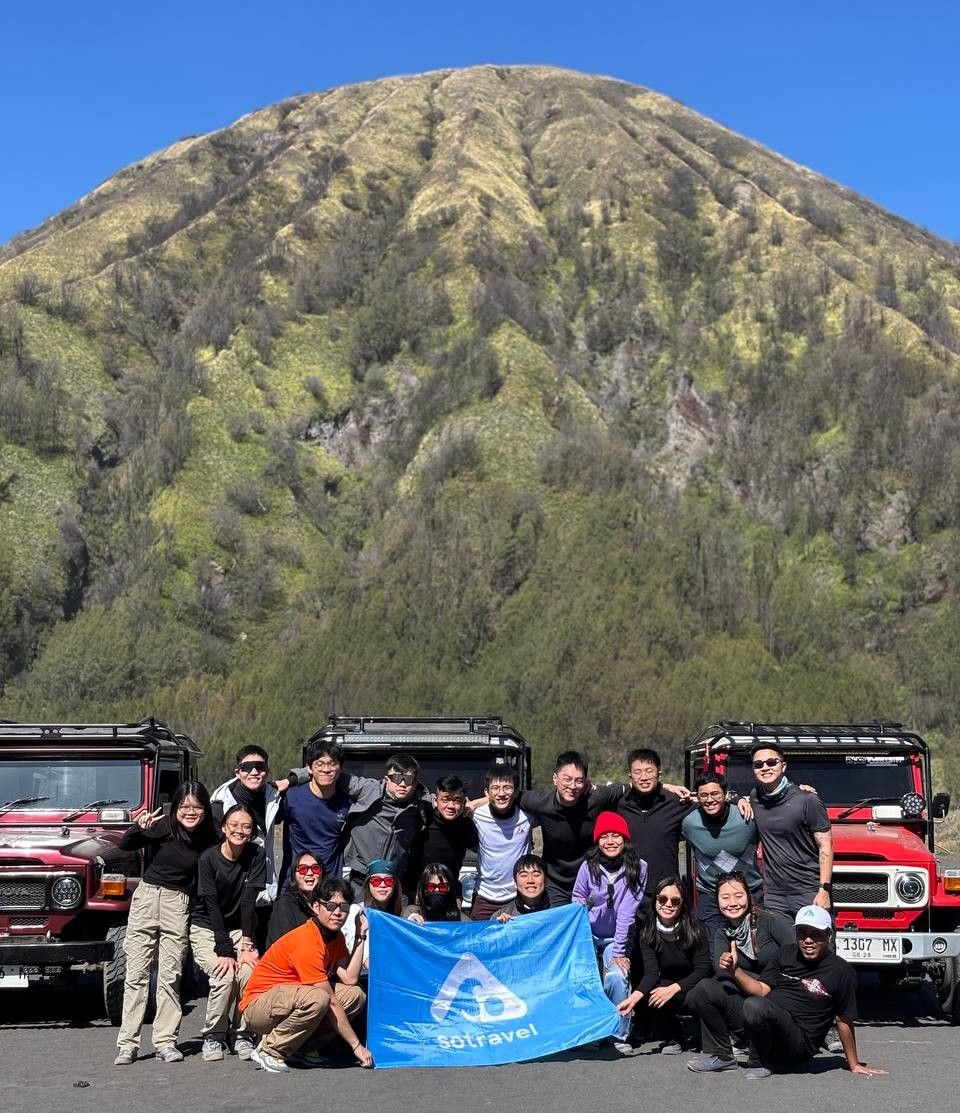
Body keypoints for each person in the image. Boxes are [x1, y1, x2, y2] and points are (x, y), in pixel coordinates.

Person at [717, 904, 887, 1080]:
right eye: (802, 933)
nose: (808, 940)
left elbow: (843, 1019)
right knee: (708, 989)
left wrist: (854, 1063)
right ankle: (721, 1056)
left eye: (816, 934)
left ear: (829, 936)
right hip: (770, 1030)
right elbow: (761, 989)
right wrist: (735, 971)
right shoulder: (785, 953)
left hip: (798, 1046)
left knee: (754, 1005)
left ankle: (759, 1062)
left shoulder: (841, 971)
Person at [114, 782, 218, 1065]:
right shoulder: (164, 825)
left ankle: (165, 1041)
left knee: (170, 976)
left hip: (177, 903)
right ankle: (128, 1044)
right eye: (184, 806)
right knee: (136, 973)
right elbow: (125, 844)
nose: (190, 812)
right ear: (176, 807)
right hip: (147, 897)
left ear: (206, 810)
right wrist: (139, 827)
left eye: (196, 807)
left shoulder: (210, 838)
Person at [238, 877, 372, 1073]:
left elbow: (350, 979)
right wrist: (356, 1046)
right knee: (320, 998)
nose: (337, 912)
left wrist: (361, 935)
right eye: (331, 906)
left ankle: (302, 1049)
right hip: (258, 1006)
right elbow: (330, 1001)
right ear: (316, 907)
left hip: (294, 998)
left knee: (355, 996)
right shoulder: (307, 940)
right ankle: (271, 1049)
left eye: (343, 907)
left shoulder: (336, 937)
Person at [685, 871, 795, 1072]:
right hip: (749, 1006)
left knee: (753, 1001)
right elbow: (722, 973)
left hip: (778, 1005)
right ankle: (723, 1055)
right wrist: (729, 964)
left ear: (749, 896)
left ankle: (763, 1056)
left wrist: (759, 979)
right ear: (717, 902)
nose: (732, 903)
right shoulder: (722, 933)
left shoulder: (769, 922)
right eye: (725, 897)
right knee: (703, 989)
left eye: (738, 896)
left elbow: (796, 955)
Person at [189, 803, 266, 1062]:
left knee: (248, 972)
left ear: (253, 831)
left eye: (246, 826)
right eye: (234, 825)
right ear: (223, 827)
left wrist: (245, 945)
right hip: (206, 928)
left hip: (239, 929)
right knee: (224, 974)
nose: (240, 831)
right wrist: (224, 950)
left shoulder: (256, 854)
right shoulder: (208, 858)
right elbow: (211, 905)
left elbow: (248, 901)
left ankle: (242, 1033)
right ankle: (214, 1035)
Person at [572, 812, 647, 1049]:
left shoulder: (639, 867)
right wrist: (582, 909)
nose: (610, 841)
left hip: (619, 937)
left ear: (625, 839)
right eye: (604, 836)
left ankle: (617, 1031)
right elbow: (577, 897)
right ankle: (594, 1031)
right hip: (589, 935)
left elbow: (627, 911)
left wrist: (619, 952)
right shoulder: (588, 866)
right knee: (587, 979)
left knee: (616, 976)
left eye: (616, 835)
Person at [520, 751, 625, 906]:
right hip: (555, 884)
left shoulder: (595, 798)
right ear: (555, 778)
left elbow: (627, 787)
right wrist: (476, 803)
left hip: (590, 878)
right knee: (558, 926)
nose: (572, 786)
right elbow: (508, 795)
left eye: (579, 781)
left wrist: (666, 786)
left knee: (588, 927)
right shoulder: (540, 801)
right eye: (567, 780)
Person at [618, 876, 710, 1053]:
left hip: (694, 984)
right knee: (652, 993)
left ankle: (702, 1033)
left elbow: (703, 969)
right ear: (655, 901)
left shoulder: (696, 928)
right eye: (662, 899)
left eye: (675, 900)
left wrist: (676, 987)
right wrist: (633, 999)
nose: (668, 904)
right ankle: (672, 1037)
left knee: (700, 994)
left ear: (682, 904)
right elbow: (652, 973)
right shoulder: (647, 931)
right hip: (668, 984)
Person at [749, 743, 833, 918]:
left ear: (783, 766)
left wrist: (824, 890)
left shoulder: (807, 800)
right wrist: (735, 799)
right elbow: (718, 796)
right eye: (758, 764)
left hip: (808, 891)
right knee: (781, 945)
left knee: (817, 944)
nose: (765, 767)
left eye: (771, 762)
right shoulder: (755, 797)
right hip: (773, 896)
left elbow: (826, 847)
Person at [210, 745, 283, 943]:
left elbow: (312, 777)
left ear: (267, 770)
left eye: (259, 766)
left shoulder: (273, 796)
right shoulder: (219, 804)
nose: (253, 772)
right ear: (238, 772)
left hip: (264, 887)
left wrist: (292, 779)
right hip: (233, 894)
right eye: (247, 767)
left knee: (265, 950)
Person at [682, 774, 761, 936]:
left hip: (750, 891)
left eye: (715, 794)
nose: (710, 799)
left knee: (757, 947)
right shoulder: (689, 822)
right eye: (703, 795)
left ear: (725, 794)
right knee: (714, 952)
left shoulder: (747, 816)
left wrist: (802, 792)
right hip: (710, 895)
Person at [342, 753, 426, 886]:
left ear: (415, 783)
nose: (402, 784)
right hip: (361, 879)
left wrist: (467, 805)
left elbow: (445, 800)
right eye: (397, 778)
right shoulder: (368, 789)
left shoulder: (421, 804)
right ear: (387, 779)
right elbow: (329, 773)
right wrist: (298, 776)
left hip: (395, 882)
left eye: (408, 779)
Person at [279, 739, 353, 884]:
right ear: (309, 768)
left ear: (341, 768)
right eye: (320, 764)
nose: (326, 769)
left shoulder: (348, 802)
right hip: (296, 882)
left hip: (331, 883)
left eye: (332, 764)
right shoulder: (291, 796)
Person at [470, 764, 534, 921]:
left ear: (516, 791)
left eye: (507, 788)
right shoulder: (477, 815)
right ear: (487, 792)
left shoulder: (527, 816)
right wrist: (474, 803)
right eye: (495, 788)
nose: (501, 793)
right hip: (484, 896)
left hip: (518, 895)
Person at [405, 775, 479, 900]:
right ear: (435, 800)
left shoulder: (467, 826)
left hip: (451, 895)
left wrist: (476, 803)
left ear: (464, 803)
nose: (451, 806)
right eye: (445, 800)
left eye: (457, 800)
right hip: (418, 895)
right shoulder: (422, 820)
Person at [343, 858, 404, 976]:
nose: (382, 885)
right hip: (363, 976)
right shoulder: (356, 911)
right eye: (376, 881)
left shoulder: (399, 915)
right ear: (368, 884)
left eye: (388, 881)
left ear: (395, 885)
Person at [491, 854, 551, 920]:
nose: (530, 880)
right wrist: (498, 927)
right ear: (515, 882)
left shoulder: (558, 913)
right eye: (524, 875)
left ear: (546, 881)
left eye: (536, 875)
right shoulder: (501, 915)